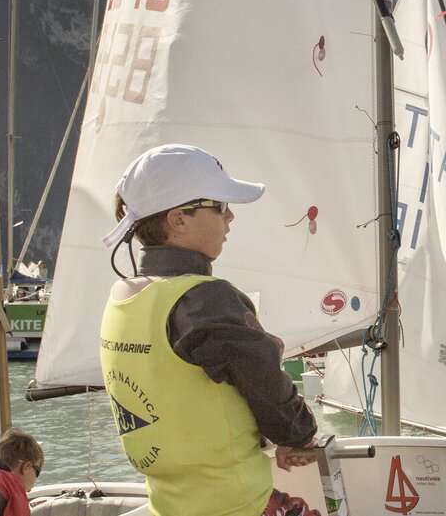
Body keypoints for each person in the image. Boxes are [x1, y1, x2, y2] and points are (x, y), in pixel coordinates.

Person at [98, 144, 321, 516]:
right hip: (236, 505)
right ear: (178, 220)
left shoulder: (122, 299)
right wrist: (298, 436)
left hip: (168, 506)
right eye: (219, 205)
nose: (230, 216)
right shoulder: (204, 300)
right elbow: (262, 377)